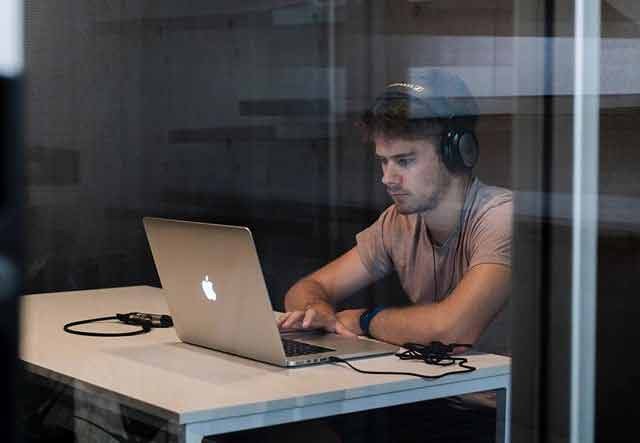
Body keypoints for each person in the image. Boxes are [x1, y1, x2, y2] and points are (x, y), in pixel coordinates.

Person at [277, 70, 512, 353]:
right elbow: (306, 288)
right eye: (384, 162)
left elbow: (452, 329)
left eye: (404, 161)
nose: (387, 178)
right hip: (435, 387)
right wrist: (316, 308)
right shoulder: (398, 221)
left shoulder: (499, 216)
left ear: (457, 153)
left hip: (494, 396)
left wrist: (365, 320)